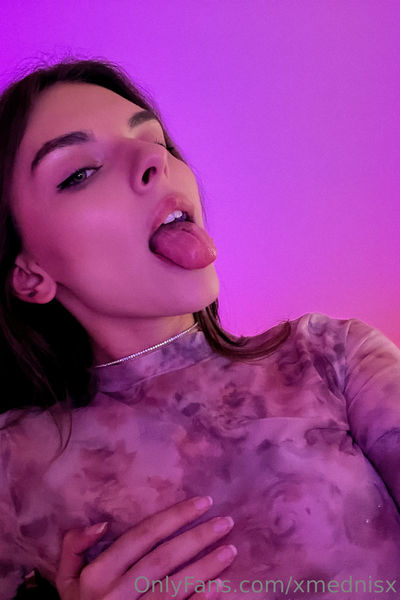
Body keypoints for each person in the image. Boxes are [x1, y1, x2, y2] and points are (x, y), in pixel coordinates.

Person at [0, 57, 399, 600]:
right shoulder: (13, 465)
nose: (153, 160)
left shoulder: (334, 357)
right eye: (80, 173)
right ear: (30, 276)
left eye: (154, 140)